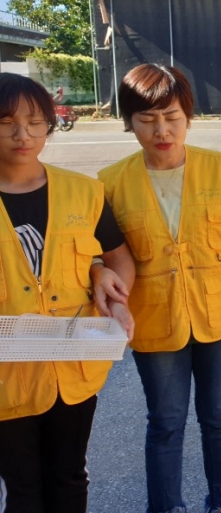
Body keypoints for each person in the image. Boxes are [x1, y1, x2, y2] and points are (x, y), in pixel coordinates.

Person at [98, 63, 221, 513]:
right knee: (165, 421)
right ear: (129, 121)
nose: (162, 130)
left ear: (188, 118)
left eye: (172, 117)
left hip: (219, 315)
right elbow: (100, 252)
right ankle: (166, 507)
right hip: (154, 319)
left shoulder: (220, 167)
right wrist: (98, 270)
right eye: (147, 119)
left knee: (220, 416)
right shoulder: (110, 182)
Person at [0, 72, 134, 513]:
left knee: (69, 477)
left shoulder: (83, 192)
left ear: (49, 124)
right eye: (6, 122)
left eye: (34, 122)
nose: (22, 135)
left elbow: (118, 258)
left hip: (70, 370)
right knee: (21, 489)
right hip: (5, 376)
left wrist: (108, 284)